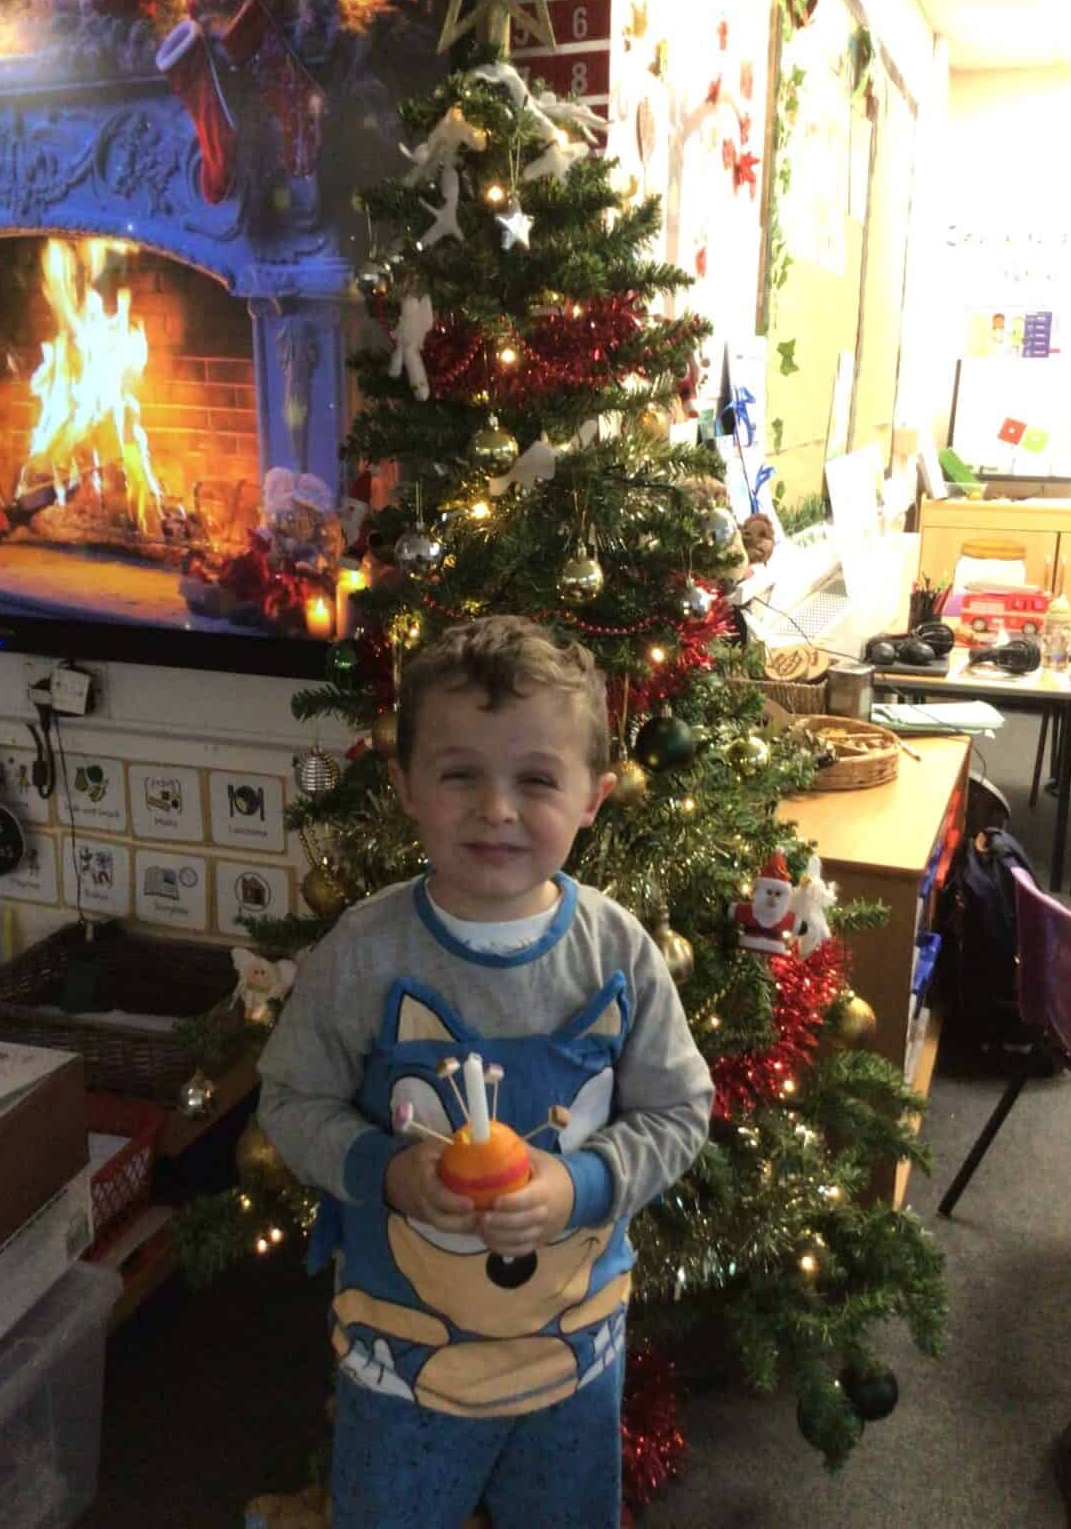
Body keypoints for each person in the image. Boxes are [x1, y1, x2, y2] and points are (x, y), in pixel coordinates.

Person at [257, 614, 715, 1529]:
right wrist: (386, 1170)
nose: (496, 809)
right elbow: (292, 1099)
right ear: (405, 786)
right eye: (460, 774)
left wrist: (582, 1185)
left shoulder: (617, 950)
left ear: (594, 797)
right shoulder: (365, 951)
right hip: (402, 1360)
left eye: (536, 780)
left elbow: (678, 1111)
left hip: (573, 1354)